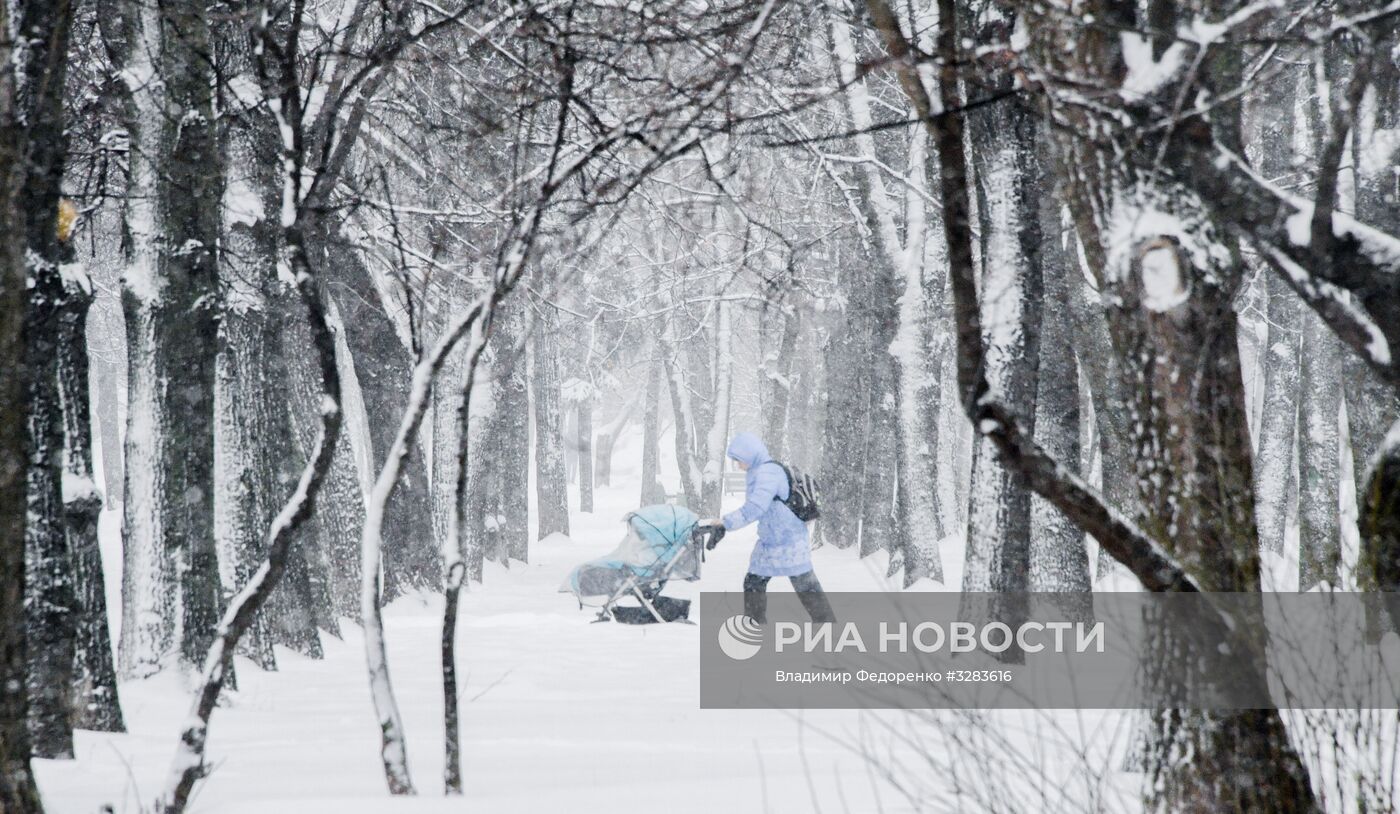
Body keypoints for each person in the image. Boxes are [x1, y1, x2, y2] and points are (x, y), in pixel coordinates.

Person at [702, 432, 834, 624]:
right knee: (755, 581)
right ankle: (756, 625)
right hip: (772, 541)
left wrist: (726, 523)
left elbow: (756, 507)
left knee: (804, 583)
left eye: (740, 460)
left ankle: (826, 624)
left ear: (750, 454)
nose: (738, 465)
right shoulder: (759, 471)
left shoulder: (768, 473)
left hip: (788, 540)